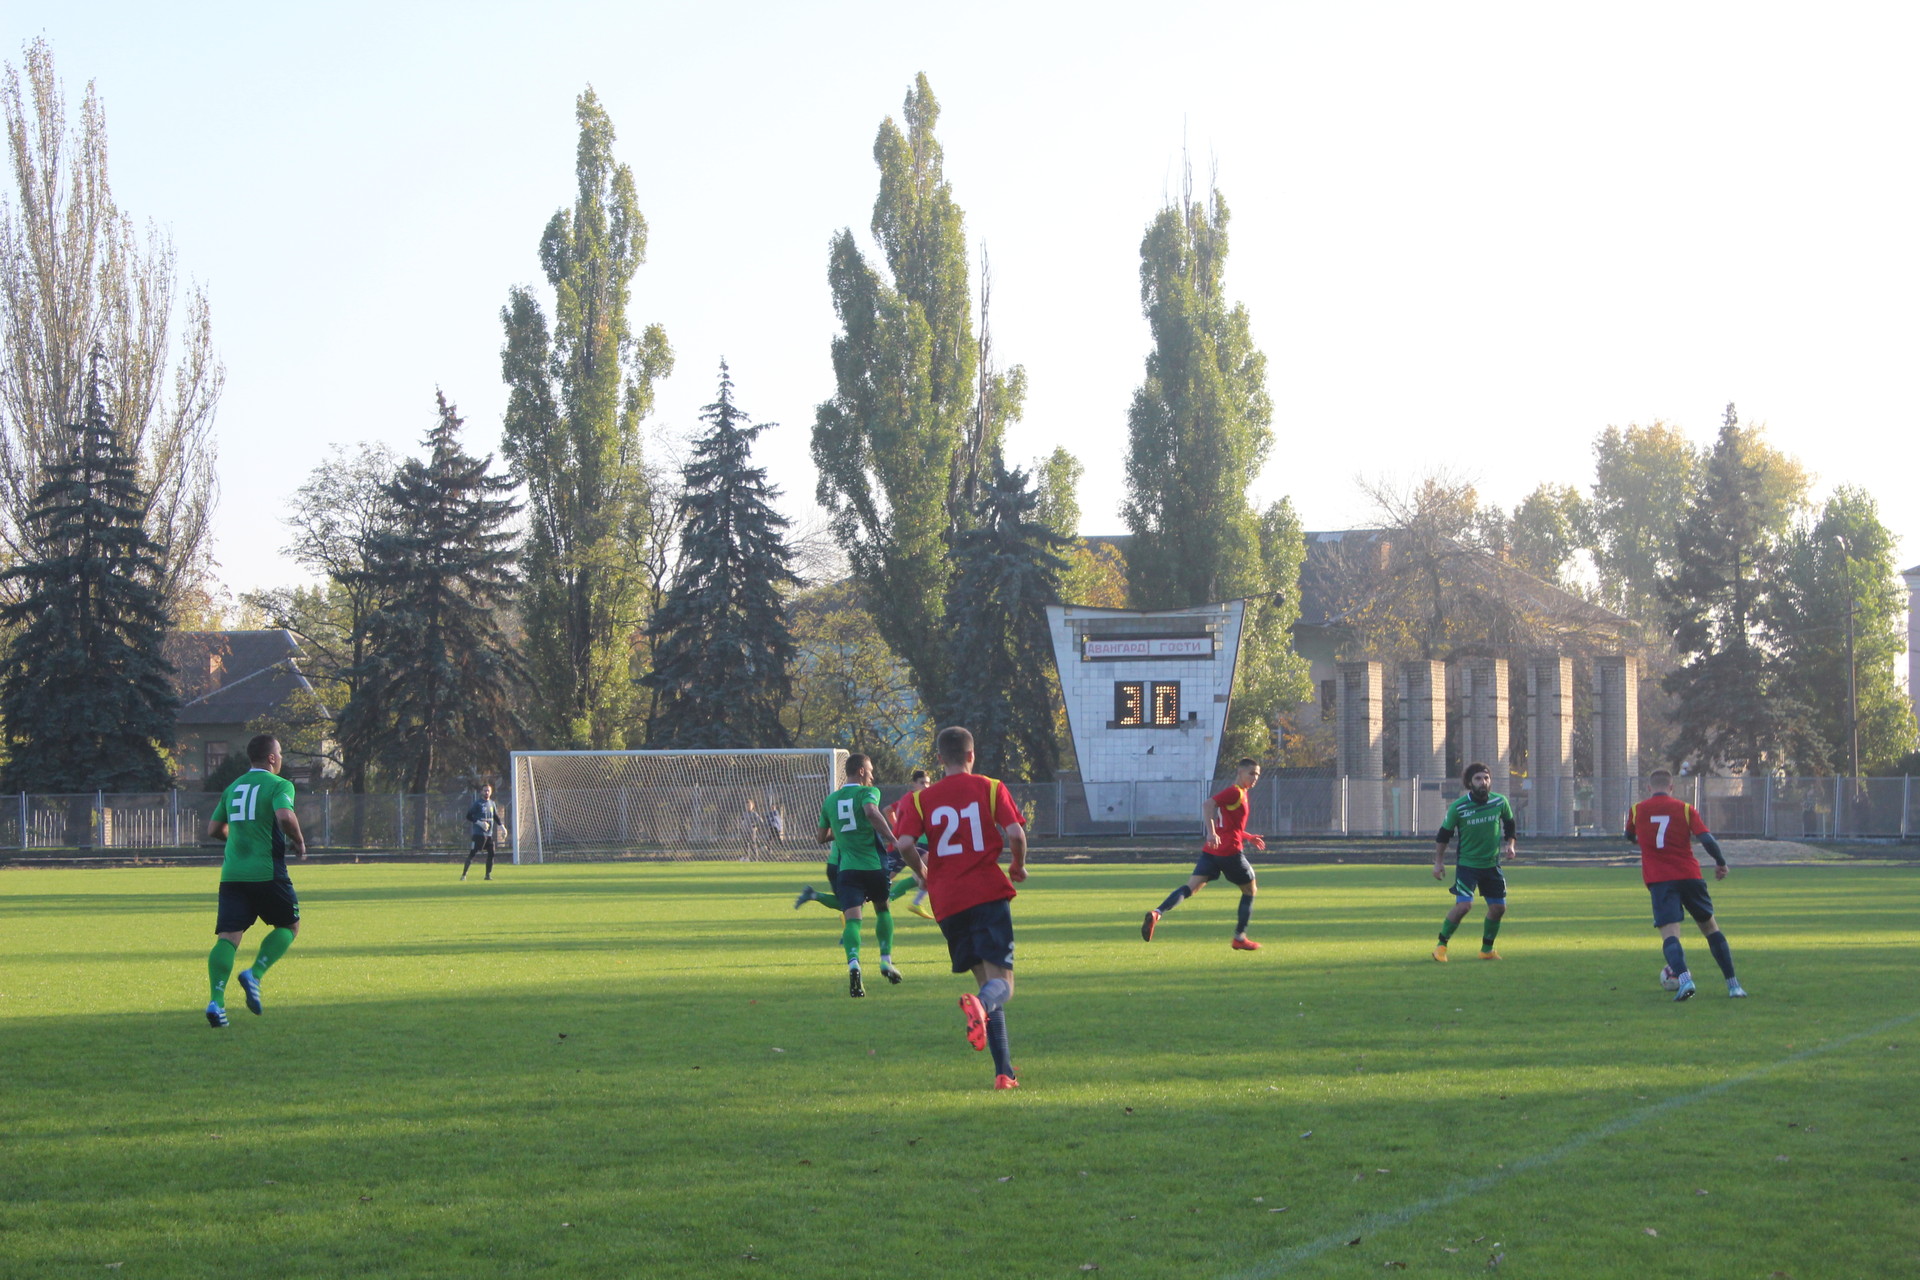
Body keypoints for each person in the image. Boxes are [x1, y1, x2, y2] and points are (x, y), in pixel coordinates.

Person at [893, 726, 1028, 1090]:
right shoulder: (991, 787)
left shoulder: (919, 799)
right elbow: (1015, 834)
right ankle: (981, 1007)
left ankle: (1004, 1073)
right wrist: (1017, 866)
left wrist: (922, 873)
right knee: (1002, 986)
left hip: (948, 902)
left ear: (939, 759)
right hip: (985, 893)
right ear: (972, 755)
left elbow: (904, 842)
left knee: (987, 982)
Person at [204, 734, 307, 1028]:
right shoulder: (279, 785)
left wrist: (237, 838)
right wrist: (299, 841)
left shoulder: (233, 787)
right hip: (266, 871)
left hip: (232, 874)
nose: (282, 758)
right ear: (272, 758)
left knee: (228, 937)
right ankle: (255, 974)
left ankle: (216, 1001)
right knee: (289, 926)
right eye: (281, 753)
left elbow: (214, 829)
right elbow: (285, 817)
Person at [1626, 769, 1745, 1001]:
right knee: (1711, 929)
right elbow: (1707, 839)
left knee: (1670, 935)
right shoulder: (1685, 809)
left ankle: (1684, 980)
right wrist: (1721, 863)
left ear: (1649, 788)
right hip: (1690, 876)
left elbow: (1629, 835)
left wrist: (1642, 839)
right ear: (1672, 787)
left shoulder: (1637, 810)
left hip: (1660, 880)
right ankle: (1734, 986)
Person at [1141, 757, 1266, 950]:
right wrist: (1211, 832)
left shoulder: (1241, 793)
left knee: (1190, 888)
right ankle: (1239, 938)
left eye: (1257, 774)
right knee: (1250, 890)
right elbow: (1208, 804)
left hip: (1212, 852)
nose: (1255, 777)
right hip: (1229, 852)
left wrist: (1248, 836)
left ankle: (1158, 913)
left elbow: (1230, 826)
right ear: (1240, 773)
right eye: (1251, 773)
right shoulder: (1234, 792)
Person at [806, 754, 902, 996]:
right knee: (883, 909)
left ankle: (854, 964)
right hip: (873, 866)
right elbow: (871, 812)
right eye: (869, 770)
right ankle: (885, 960)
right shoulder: (867, 793)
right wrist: (891, 838)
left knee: (853, 920)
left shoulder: (831, 800)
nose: (872, 775)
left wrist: (840, 831)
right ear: (860, 771)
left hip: (847, 869)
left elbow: (820, 837)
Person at [793, 768, 931, 918]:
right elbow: (882, 810)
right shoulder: (903, 798)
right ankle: (833, 905)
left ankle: (913, 901)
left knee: (925, 869)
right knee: (859, 901)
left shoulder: (834, 801)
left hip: (852, 861)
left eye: (928, 783)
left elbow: (822, 837)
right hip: (873, 854)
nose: (926, 786)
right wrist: (895, 832)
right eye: (922, 783)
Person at [1431, 763, 1515, 961]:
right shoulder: (1458, 807)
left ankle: (1486, 950)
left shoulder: (1499, 802)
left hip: (1491, 865)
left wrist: (1511, 845)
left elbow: (1510, 824)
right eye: (1478, 779)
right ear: (1470, 783)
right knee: (1464, 906)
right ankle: (1441, 946)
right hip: (1468, 866)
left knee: (1498, 908)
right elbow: (1443, 836)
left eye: (1486, 778)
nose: (1483, 782)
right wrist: (1438, 862)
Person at [461, 783, 508, 880]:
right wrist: (479, 823)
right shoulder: (477, 803)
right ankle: (464, 875)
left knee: (492, 853)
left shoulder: (492, 803)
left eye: (488, 791)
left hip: (489, 834)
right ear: (481, 792)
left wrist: (502, 827)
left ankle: (487, 875)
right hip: (479, 834)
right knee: (473, 853)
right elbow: (468, 816)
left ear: (491, 792)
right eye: (485, 790)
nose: (486, 792)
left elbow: (495, 816)